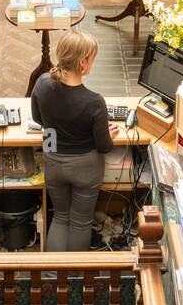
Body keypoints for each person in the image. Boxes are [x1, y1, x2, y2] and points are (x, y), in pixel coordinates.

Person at [31, 30, 118, 252]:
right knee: (80, 221)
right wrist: (109, 134)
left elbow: (37, 118)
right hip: (85, 168)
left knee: (60, 217)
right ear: (82, 63)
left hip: (52, 160)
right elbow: (103, 146)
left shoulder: (41, 83)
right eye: (92, 59)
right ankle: (75, 277)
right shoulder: (94, 102)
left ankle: (53, 275)